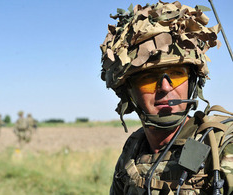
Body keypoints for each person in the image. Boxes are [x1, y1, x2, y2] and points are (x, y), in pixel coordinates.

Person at [100, 1, 233, 194]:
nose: (164, 87)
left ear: (192, 82)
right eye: (148, 78)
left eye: (177, 74)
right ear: (129, 92)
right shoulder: (133, 149)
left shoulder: (220, 146)